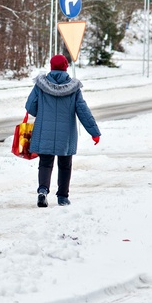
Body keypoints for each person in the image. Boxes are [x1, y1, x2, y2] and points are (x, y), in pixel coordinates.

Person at [25, 54, 101, 208]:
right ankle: (62, 197)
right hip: (65, 135)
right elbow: (83, 111)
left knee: (45, 163)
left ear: (51, 67)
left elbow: (31, 107)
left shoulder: (40, 85)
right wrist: (94, 132)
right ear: (66, 67)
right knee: (65, 164)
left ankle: (43, 191)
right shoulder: (74, 88)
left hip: (44, 131)